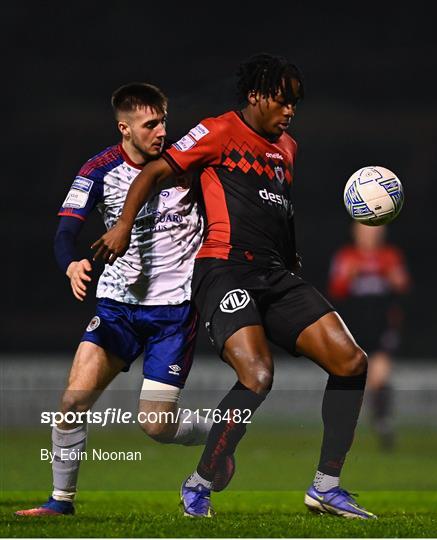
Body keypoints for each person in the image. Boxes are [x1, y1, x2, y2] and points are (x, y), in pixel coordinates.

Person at [92, 54, 377, 520]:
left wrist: (290, 254)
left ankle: (326, 485)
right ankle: (200, 481)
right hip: (223, 268)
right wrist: (124, 224)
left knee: (351, 362)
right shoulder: (218, 130)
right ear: (256, 96)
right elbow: (154, 171)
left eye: (295, 104)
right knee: (258, 376)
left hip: (274, 274)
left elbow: (277, 207)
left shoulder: (288, 148)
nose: (290, 111)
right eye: (283, 101)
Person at [16, 82, 232, 517]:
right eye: (150, 124)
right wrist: (71, 264)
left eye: (163, 121)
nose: (160, 131)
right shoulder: (98, 170)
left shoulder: (186, 165)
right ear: (124, 128)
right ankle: (61, 502)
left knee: (155, 425)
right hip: (116, 308)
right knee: (73, 401)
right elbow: (64, 232)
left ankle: (216, 440)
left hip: (173, 313)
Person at [328, 222, 411, 449]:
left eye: (374, 229)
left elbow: (403, 285)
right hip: (353, 327)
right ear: (355, 232)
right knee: (354, 380)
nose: (370, 234)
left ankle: (383, 423)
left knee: (380, 376)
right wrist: (351, 274)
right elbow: (336, 289)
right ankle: (344, 427)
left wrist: (390, 275)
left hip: (382, 326)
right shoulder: (346, 256)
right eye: (365, 229)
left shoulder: (390, 256)